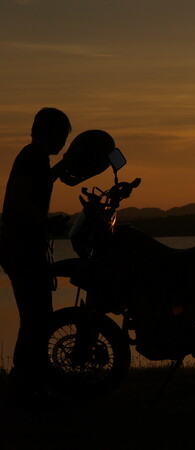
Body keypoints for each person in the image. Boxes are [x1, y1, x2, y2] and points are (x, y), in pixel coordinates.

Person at [0, 107, 72, 403]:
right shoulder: (33, 158)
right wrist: (47, 222)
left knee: (35, 317)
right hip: (22, 247)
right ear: (49, 131)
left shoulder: (36, 158)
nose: (63, 143)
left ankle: (25, 382)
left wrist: (59, 170)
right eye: (62, 136)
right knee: (36, 318)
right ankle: (25, 385)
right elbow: (18, 200)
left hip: (19, 246)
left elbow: (37, 185)